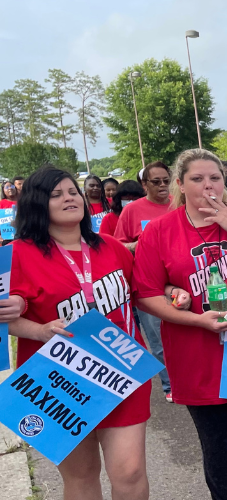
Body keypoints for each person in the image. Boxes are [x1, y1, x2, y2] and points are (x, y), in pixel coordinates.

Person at [7, 166, 170, 500]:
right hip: (58, 383)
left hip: (121, 372)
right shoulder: (17, 254)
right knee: (80, 477)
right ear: (38, 203)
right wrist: (36, 329)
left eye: (72, 191)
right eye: (56, 194)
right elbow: (7, 318)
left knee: (130, 470)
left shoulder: (111, 247)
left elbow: (143, 292)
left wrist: (172, 289)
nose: (69, 198)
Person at [133, 148, 227, 500]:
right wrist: (195, 319)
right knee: (217, 448)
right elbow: (146, 294)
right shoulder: (159, 231)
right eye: (197, 179)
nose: (208, 186)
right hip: (195, 353)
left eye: (215, 178)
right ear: (180, 185)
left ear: (224, 181)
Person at [115, 161, 175, 402]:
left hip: (183, 281)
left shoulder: (179, 204)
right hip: (150, 286)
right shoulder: (132, 211)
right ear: (144, 184)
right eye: (156, 181)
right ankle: (170, 386)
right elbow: (117, 245)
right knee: (158, 339)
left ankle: (191, 379)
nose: (162, 186)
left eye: (166, 180)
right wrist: (137, 246)